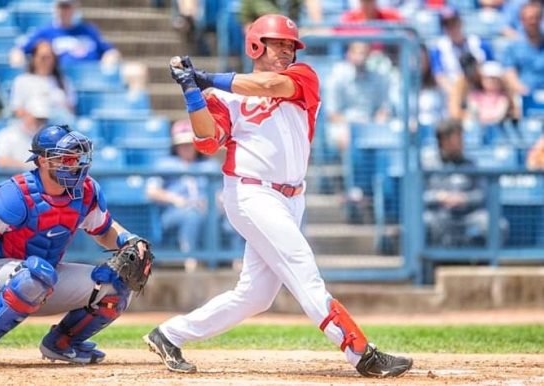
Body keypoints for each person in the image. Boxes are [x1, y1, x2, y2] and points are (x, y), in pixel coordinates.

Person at [143, 14, 412, 378]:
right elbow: (207, 142)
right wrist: (193, 92)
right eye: (278, 44)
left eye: (290, 45)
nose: (286, 51)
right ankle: (361, 353)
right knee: (303, 267)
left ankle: (169, 334)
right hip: (250, 194)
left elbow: (268, 84)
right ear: (256, 45)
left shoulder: (302, 77)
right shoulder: (221, 96)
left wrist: (207, 78)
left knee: (256, 295)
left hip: (291, 197)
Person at [0, 125, 153, 368]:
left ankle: (62, 344)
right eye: (65, 158)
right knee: (35, 275)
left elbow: (104, 230)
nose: (73, 164)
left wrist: (129, 240)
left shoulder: (84, 192)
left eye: (76, 158)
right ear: (42, 161)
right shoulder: (16, 193)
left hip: (45, 277)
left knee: (116, 283)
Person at [146, 119, 219, 254]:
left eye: (189, 144)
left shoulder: (209, 165)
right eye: (182, 144)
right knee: (192, 215)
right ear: (175, 146)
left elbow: (222, 192)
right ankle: (190, 259)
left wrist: (212, 202)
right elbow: (152, 191)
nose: (186, 147)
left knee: (229, 218)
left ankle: (235, 261)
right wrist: (175, 199)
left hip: (207, 209)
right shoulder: (165, 164)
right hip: (174, 211)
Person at [422, 119, 493, 247]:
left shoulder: (470, 165)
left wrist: (465, 198)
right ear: (443, 140)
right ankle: (430, 260)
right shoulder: (428, 165)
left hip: (467, 215)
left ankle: (483, 260)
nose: (461, 142)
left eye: (461, 137)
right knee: (423, 221)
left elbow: (482, 194)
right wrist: (439, 197)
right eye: (457, 138)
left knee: (491, 223)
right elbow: (418, 195)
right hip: (439, 215)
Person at [324, 42, 391, 150]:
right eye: (356, 52)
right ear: (348, 54)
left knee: (386, 132)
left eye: (363, 53)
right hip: (344, 125)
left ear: (369, 55)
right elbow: (332, 114)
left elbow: (383, 108)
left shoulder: (378, 77)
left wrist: (378, 121)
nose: (360, 57)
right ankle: (350, 167)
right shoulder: (337, 77)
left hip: (370, 124)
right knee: (345, 136)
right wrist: (354, 124)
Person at [10, 40, 76, 126]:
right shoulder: (22, 81)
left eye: (49, 57)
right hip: (30, 129)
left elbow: (71, 109)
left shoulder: (64, 82)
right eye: (42, 57)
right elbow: (16, 109)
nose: (46, 61)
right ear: (34, 58)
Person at [0, 98, 50, 169]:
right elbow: (1, 161)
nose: (40, 122)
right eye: (37, 118)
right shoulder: (6, 134)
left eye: (43, 119)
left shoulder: (47, 138)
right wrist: (29, 167)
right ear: (26, 114)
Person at [502, 1, 544, 96]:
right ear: (521, 20)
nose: (533, 22)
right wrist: (522, 90)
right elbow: (509, 73)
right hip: (525, 95)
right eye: (529, 18)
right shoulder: (513, 47)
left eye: (536, 18)